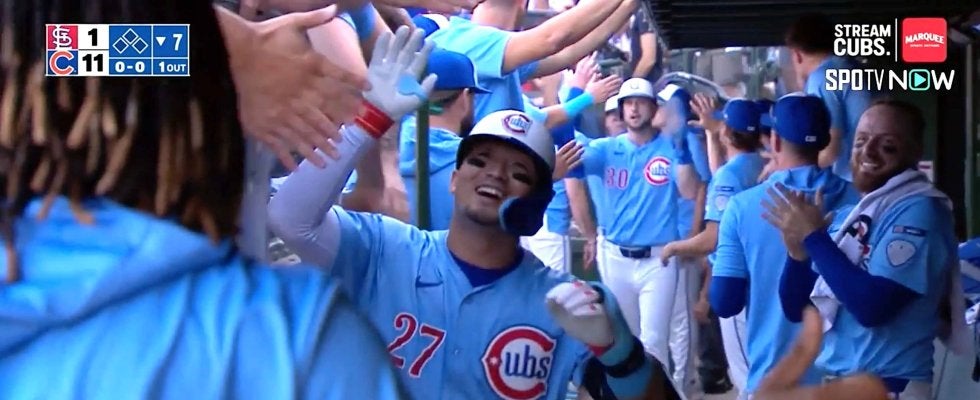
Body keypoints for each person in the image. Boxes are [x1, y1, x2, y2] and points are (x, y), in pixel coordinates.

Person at [0, 1, 406, 398]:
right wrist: (228, 51)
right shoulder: (295, 340)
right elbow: (58, 48)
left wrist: (224, 50)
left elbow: (54, 49)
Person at [269, 26, 680, 400]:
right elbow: (290, 218)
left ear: (539, 199)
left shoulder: (561, 301)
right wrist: (369, 119)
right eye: (480, 160)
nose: (495, 174)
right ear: (455, 178)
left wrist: (621, 355)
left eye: (519, 172)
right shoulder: (387, 248)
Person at [765, 99, 968, 400]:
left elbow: (873, 307)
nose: (868, 152)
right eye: (860, 141)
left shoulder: (920, 209)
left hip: (890, 387)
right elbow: (798, 310)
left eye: (887, 145)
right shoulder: (850, 215)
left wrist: (814, 238)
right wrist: (798, 255)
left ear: (915, 152)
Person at [709, 93, 861, 398]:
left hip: (775, 381)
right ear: (824, 141)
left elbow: (725, 302)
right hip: (847, 383)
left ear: (775, 141)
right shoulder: (862, 201)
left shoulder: (743, 206)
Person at [582, 77, 702, 378]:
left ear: (653, 107)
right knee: (627, 341)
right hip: (615, 256)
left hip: (658, 258)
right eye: (628, 104)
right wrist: (574, 98)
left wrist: (682, 151)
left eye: (641, 103)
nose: (634, 109)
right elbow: (571, 162)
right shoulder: (607, 147)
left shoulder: (669, 145)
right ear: (622, 110)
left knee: (654, 342)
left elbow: (689, 191)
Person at [662, 98, 767, 399]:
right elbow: (721, 173)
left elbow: (713, 238)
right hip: (761, 274)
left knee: (747, 376)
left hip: (738, 279)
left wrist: (674, 247)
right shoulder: (761, 164)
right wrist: (711, 133)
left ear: (728, 132)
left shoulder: (729, 175)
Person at [785, 13, 874, 182]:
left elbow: (830, 151)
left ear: (796, 55)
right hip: (875, 175)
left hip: (853, 182)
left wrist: (785, 171)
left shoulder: (821, 77)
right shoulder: (850, 67)